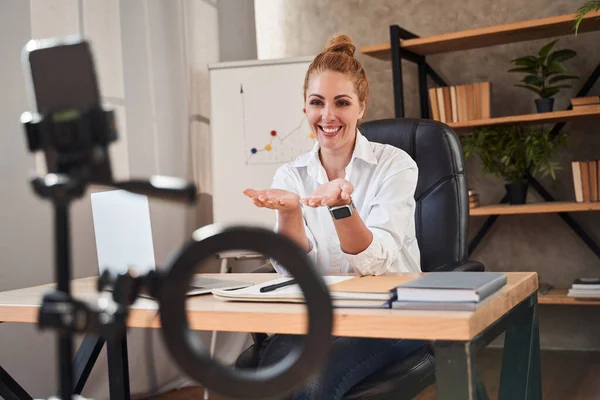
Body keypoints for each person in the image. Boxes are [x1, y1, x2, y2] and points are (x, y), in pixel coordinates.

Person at [242, 33, 427, 400]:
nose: (327, 116)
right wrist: (291, 213)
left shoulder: (396, 165)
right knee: (273, 377)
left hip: (392, 315)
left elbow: (374, 262)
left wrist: (341, 206)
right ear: (305, 109)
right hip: (318, 317)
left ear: (361, 107)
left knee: (311, 380)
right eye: (317, 103)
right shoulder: (291, 175)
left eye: (341, 102)